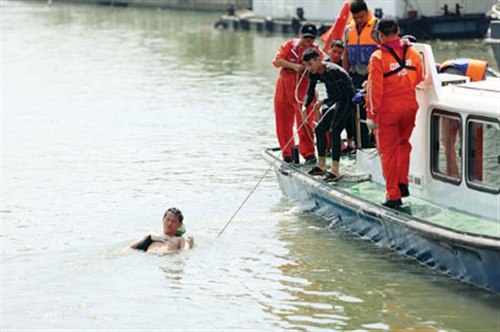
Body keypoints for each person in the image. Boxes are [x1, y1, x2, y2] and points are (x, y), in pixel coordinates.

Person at [366, 16, 423, 208]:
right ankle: (402, 182)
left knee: (387, 152)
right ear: (398, 31)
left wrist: (371, 116)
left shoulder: (378, 57)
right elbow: (419, 78)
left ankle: (393, 195)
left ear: (380, 35)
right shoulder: (414, 53)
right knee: (403, 145)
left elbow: (375, 90)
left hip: (388, 112)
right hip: (409, 108)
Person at [301, 48, 355, 182]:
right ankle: (321, 165)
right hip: (338, 101)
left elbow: (342, 94)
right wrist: (304, 106)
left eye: (310, 64)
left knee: (334, 131)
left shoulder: (332, 71)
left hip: (348, 99)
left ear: (319, 59)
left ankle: (335, 170)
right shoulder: (313, 72)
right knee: (319, 129)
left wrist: (324, 101)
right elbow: (310, 91)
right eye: (306, 65)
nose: (309, 68)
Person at [273, 23, 322, 164]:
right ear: (301, 35)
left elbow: (320, 66)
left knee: (305, 122)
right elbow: (278, 60)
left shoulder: (316, 51)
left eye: (311, 38)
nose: (308, 40)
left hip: (304, 89)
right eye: (306, 37)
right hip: (284, 86)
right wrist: (294, 66)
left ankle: (308, 152)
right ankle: (287, 153)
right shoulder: (290, 46)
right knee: (283, 121)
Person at [343, 0, 379, 149]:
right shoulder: (348, 29)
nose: (358, 20)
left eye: (361, 17)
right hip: (355, 75)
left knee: (374, 109)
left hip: (372, 75)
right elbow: (346, 54)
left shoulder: (377, 27)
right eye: (355, 17)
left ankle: (375, 142)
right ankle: (361, 142)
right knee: (356, 111)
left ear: (367, 12)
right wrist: (345, 75)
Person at [327, 39, 357, 155]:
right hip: (331, 99)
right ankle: (338, 143)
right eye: (334, 51)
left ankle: (350, 140)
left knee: (350, 112)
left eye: (339, 53)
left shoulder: (344, 65)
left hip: (344, 98)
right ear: (329, 50)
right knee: (326, 113)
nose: (336, 55)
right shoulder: (324, 65)